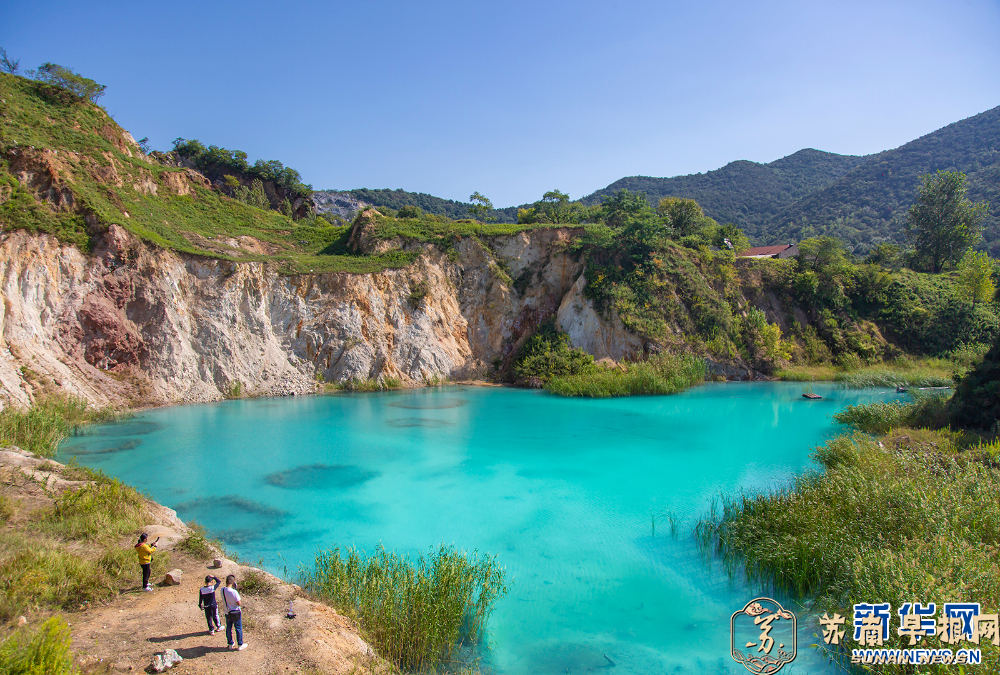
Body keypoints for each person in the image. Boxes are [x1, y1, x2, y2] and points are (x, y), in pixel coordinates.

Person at [221, 574, 247, 651]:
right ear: (233, 582)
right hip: (235, 612)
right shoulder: (234, 592)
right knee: (238, 628)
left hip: (227, 612)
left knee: (229, 627)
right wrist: (235, 589)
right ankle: (240, 644)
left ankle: (230, 643)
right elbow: (239, 603)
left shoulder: (222, 590)